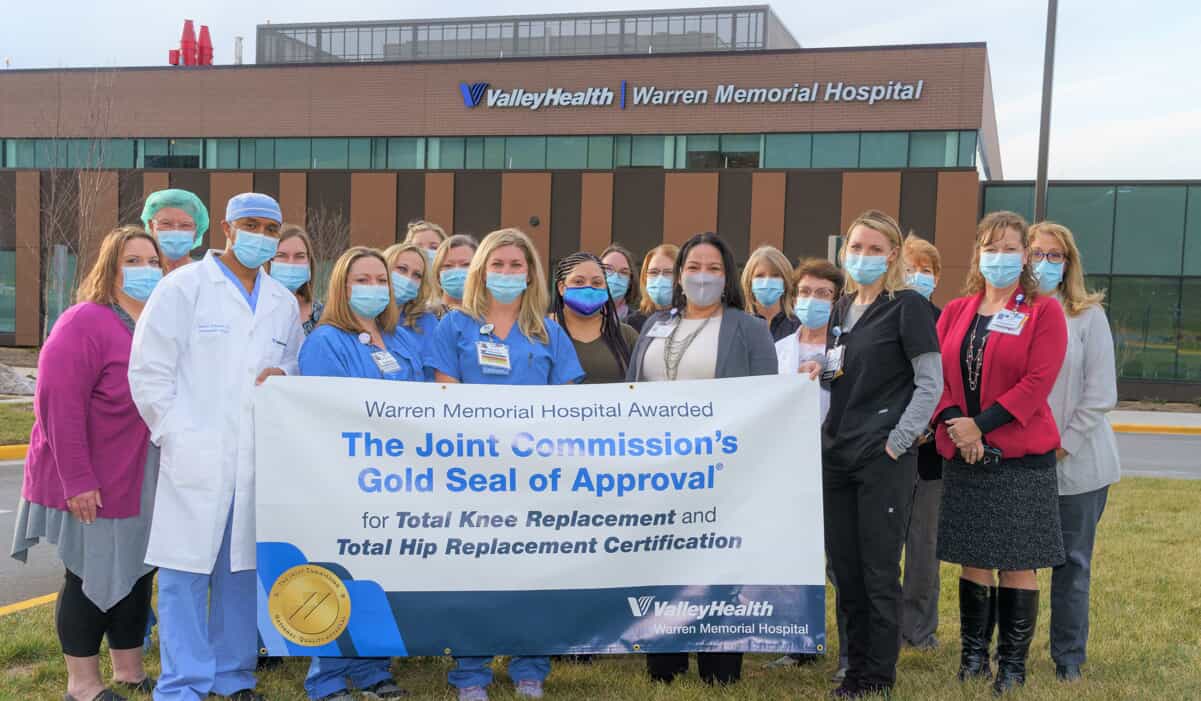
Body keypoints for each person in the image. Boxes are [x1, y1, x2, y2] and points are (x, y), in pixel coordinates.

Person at [129, 192, 303, 701]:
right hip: (194, 455)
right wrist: (178, 435)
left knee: (240, 576)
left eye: (271, 230)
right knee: (185, 575)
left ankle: (233, 678)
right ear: (226, 228)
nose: (261, 238)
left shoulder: (282, 302)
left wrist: (284, 374)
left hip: (254, 461)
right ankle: (183, 684)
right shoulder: (182, 288)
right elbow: (149, 371)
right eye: (250, 225)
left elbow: (290, 365)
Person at [425, 227, 584, 701]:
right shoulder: (454, 326)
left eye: (517, 265)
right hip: (472, 475)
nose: (508, 273)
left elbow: (569, 405)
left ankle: (529, 666)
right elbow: (443, 398)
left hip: (535, 477)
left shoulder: (548, 331)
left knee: (532, 574)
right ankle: (470, 672)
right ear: (481, 271)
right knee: (472, 573)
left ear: (530, 273)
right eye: (499, 265)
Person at [10, 227, 163, 701]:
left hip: (145, 476)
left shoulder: (158, 324)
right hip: (93, 477)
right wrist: (77, 479)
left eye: (151, 261)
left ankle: (130, 672)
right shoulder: (85, 321)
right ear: (110, 267)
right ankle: (82, 685)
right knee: (89, 573)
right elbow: (57, 403)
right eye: (131, 261)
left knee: (138, 575)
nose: (144, 270)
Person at [626, 232, 777, 686]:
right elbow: (633, 391)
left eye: (713, 268)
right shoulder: (654, 326)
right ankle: (665, 662)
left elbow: (766, 401)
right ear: (679, 275)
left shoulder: (748, 328)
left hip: (720, 471)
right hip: (657, 470)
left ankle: (719, 663)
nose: (702, 277)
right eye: (693, 267)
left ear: (728, 276)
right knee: (662, 562)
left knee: (717, 564)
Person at [933, 211, 1068, 695]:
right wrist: (960, 428)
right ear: (978, 253)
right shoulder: (955, 311)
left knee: (1017, 562)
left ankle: (1011, 666)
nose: (1000, 256)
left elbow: (1037, 383)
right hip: (964, 454)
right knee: (973, 558)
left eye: (1011, 248)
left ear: (1025, 257)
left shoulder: (1043, 311)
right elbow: (939, 379)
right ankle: (973, 658)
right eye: (992, 247)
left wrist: (980, 426)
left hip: (1018, 457)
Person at [808, 210, 940, 699]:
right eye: (855, 247)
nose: (863, 256)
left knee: (878, 570)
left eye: (874, 249)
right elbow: (849, 371)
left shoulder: (909, 307)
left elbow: (930, 384)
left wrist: (897, 441)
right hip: (837, 454)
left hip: (882, 457)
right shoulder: (842, 308)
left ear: (893, 256)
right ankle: (852, 665)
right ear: (844, 252)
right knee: (844, 569)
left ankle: (876, 676)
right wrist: (817, 369)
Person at [297, 247, 416, 701]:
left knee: (379, 580)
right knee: (338, 577)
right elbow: (326, 413)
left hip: (399, 481)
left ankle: (373, 672)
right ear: (342, 288)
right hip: (346, 481)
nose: (373, 289)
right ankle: (326, 679)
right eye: (360, 281)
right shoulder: (326, 341)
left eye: (379, 280)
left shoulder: (400, 339)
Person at [1028, 221, 1120, 683]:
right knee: (1015, 561)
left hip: (1077, 462)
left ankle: (1068, 657)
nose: (1045, 263)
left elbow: (1101, 393)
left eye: (1055, 256)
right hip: (1021, 461)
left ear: (1068, 264)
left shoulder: (1087, 316)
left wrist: (1062, 445)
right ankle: (1010, 651)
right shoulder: (1013, 312)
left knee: (1071, 563)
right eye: (1036, 253)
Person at [768, 257, 845, 673]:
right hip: (788, 466)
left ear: (837, 301)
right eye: (805, 292)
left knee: (840, 559)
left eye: (823, 294)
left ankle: (852, 646)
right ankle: (798, 643)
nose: (812, 300)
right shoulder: (777, 350)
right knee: (795, 558)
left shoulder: (846, 349)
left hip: (836, 461)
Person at [899, 233, 945, 651]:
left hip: (930, 452)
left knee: (923, 546)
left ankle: (919, 630)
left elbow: (944, 385)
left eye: (925, 270)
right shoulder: (881, 314)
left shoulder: (945, 319)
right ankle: (885, 623)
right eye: (909, 268)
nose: (917, 276)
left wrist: (929, 423)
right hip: (884, 449)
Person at [551, 251, 638, 383]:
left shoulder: (626, 336)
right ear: (562, 288)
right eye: (579, 282)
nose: (588, 288)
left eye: (596, 283)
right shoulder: (541, 333)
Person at [383, 241, 440, 378]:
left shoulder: (427, 323)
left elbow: (434, 377)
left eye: (417, 275)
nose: (408, 279)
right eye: (402, 269)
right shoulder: (365, 318)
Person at [269, 224, 324, 335]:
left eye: (299, 256)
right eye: (281, 255)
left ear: (309, 262)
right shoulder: (254, 310)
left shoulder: (324, 316)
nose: (291, 263)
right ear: (269, 260)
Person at [141, 189, 208, 275]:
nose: (175, 231)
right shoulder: (141, 277)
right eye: (166, 223)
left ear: (196, 230)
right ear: (151, 225)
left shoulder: (205, 274)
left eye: (185, 225)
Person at [741, 245, 800, 341]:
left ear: (785, 281)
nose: (767, 281)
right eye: (760, 276)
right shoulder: (739, 326)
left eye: (775, 276)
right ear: (749, 281)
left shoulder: (799, 327)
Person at [626, 244, 677, 332]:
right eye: (653, 272)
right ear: (645, 278)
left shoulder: (691, 321)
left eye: (668, 272)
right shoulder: (631, 323)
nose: (660, 279)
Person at [430, 234, 478, 315]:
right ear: (437, 273)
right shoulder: (426, 316)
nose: (457, 270)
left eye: (466, 264)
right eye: (448, 265)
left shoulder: (490, 315)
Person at [600, 243, 639, 322]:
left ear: (630, 282)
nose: (615, 277)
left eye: (623, 272)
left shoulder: (640, 323)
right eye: (608, 269)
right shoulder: (578, 318)